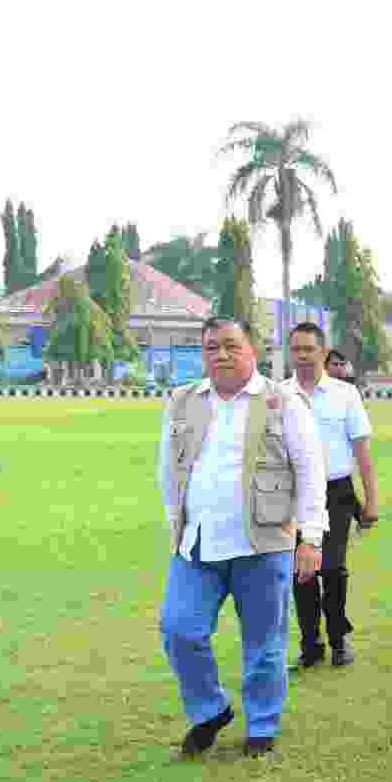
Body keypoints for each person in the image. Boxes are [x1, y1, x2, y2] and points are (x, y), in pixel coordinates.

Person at [158, 315, 326, 758]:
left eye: (231, 345)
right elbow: (168, 470)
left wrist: (311, 538)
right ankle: (209, 710)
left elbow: (310, 471)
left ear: (253, 349)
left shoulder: (282, 402)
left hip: (263, 543)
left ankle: (263, 725)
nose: (221, 354)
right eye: (212, 347)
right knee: (179, 629)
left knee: (265, 643)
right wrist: (175, 523)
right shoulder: (183, 401)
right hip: (196, 545)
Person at [284, 321, 378, 671]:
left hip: (337, 492)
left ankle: (339, 639)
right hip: (295, 496)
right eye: (296, 349)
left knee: (333, 568)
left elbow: (363, 451)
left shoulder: (345, 394)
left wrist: (371, 499)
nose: (303, 355)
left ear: (323, 352)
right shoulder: (280, 394)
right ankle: (311, 646)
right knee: (302, 572)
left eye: (309, 348)